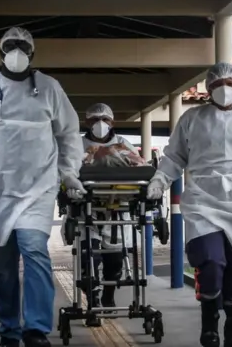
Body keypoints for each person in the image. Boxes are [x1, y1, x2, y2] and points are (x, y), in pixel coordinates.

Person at [0, 27, 86, 347]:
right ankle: (9, 329)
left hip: (37, 189)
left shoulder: (50, 89)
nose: (17, 50)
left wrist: (69, 173)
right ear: (0, 51)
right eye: (11, 45)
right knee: (3, 266)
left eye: (23, 46)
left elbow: (68, 133)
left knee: (35, 250)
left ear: (33, 53)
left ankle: (36, 329)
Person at [145, 62, 232, 347]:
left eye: (230, 83)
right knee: (210, 263)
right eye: (217, 84)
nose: (224, 89)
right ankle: (209, 325)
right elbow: (174, 157)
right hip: (203, 202)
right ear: (208, 89)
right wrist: (160, 179)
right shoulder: (192, 118)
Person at [78, 103, 140, 326]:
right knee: (88, 259)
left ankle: (108, 295)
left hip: (118, 209)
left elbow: (138, 166)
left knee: (114, 262)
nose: (100, 124)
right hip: (88, 209)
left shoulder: (123, 144)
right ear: (87, 123)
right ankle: (93, 299)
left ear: (113, 122)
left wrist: (110, 153)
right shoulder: (78, 145)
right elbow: (69, 169)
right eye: (94, 119)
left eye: (105, 119)